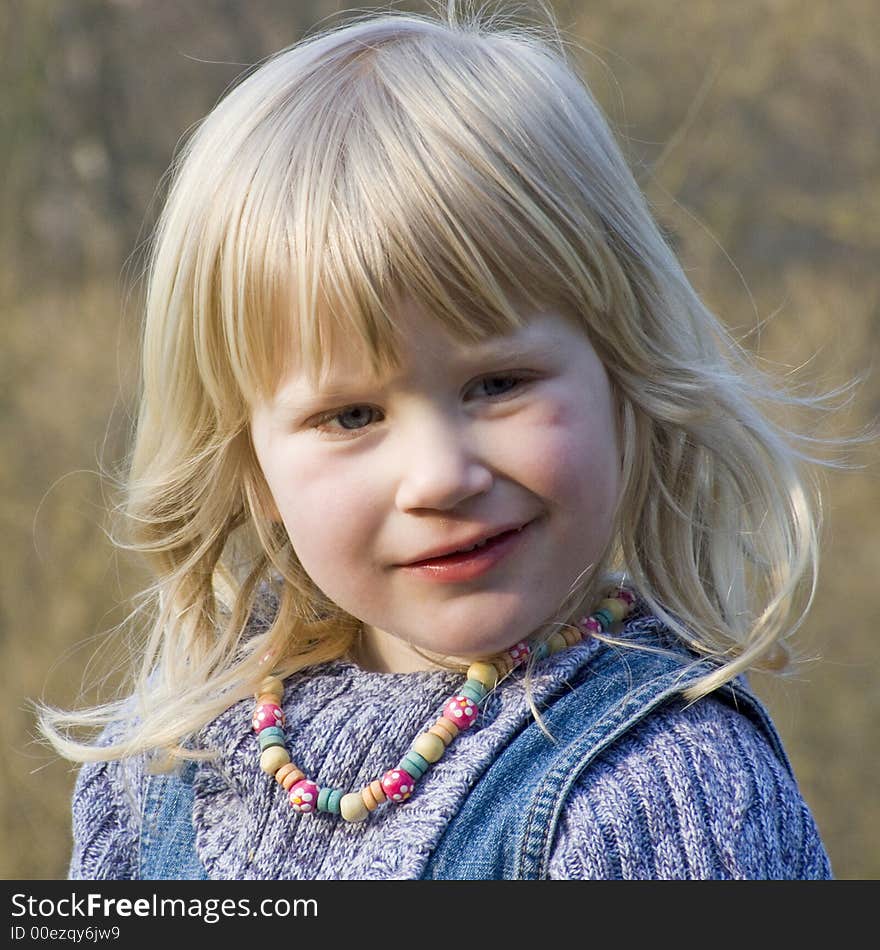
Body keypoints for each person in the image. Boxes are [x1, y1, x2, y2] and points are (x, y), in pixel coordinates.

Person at [40, 2, 840, 880]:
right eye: (351, 417)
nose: (439, 478)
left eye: (496, 385)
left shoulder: (663, 795)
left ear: (626, 371)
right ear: (251, 465)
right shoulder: (161, 763)